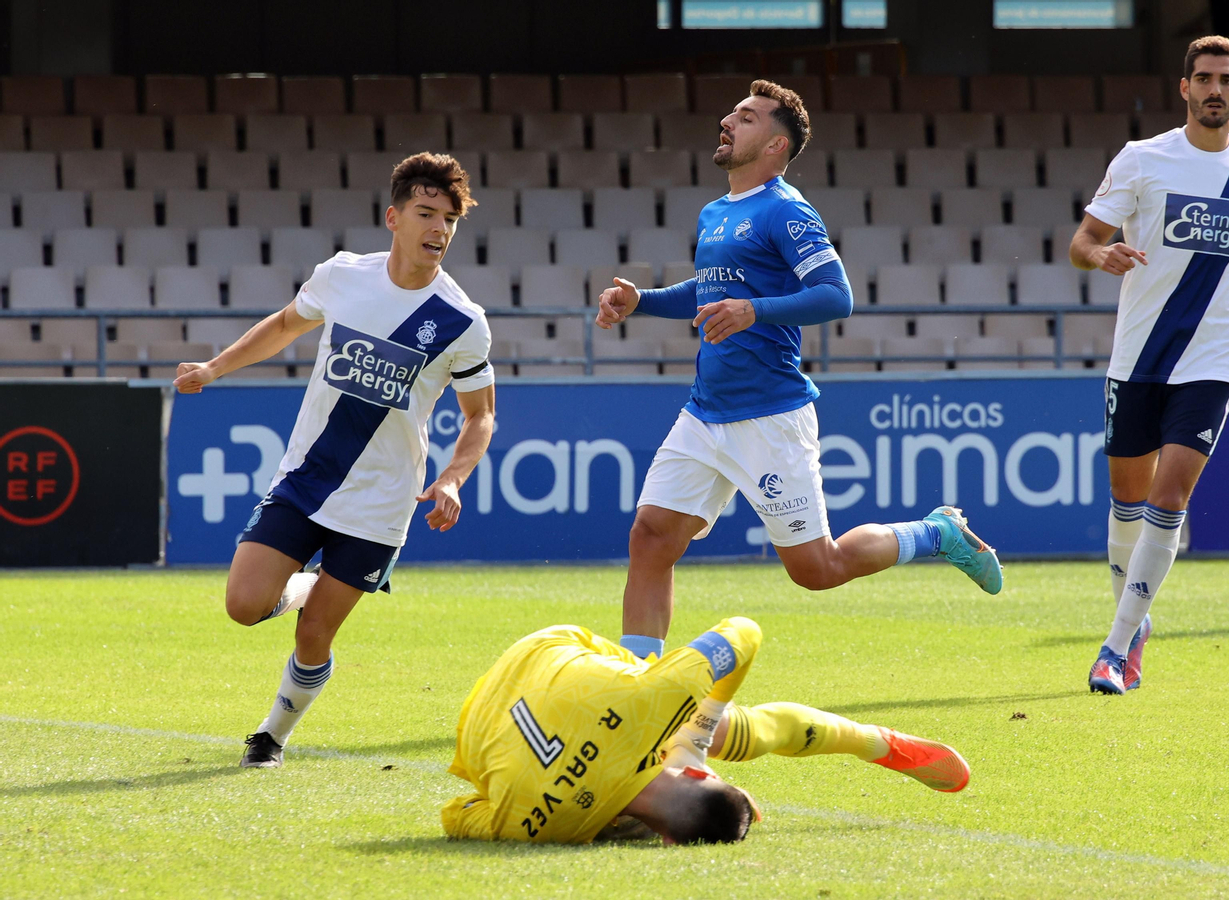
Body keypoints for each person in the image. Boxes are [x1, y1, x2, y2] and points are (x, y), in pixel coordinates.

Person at [594, 79, 1002, 663]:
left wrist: (753, 310)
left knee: (817, 569)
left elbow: (837, 297)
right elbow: (712, 294)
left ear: (775, 147)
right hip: (705, 411)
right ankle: (637, 687)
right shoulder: (716, 212)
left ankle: (936, 534)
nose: (730, 121)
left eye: (748, 117)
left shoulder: (788, 211)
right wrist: (645, 301)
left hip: (770, 417)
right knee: (651, 537)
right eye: (733, 111)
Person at [172, 153, 497, 767]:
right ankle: (300, 586)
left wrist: (453, 478)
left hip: (383, 504)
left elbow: (481, 414)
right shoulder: (344, 275)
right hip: (307, 477)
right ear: (393, 218)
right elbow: (284, 325)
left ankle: (271, 736)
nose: (440, 230)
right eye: (427, 213)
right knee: (243, 606)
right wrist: (215, 367)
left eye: (450, 219)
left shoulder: (462, 321)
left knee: (315, 633)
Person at [1067, 35, 1229, 694]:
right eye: (1204, 78)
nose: (1215, 89)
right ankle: (1136, 621)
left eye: (1227, 79)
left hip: (1213, 359)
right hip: (1139, 355)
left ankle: (1114, 648)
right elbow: (1081, 242)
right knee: (1127, 503)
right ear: (1184, 88)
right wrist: (1103, 256)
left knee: (1170, 494)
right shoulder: (1143, 159)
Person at [441, 616, 969, 845]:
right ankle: (872, 742)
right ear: (669, 840)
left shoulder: (658, 703)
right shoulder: (542, 829)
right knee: (717, 732)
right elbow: (457, 814)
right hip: (472, 725)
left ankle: (875, 742)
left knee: (709, 730)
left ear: (695, 779)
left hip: (539, 650)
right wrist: (586, 819)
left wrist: (698, 726)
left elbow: (744, 632)